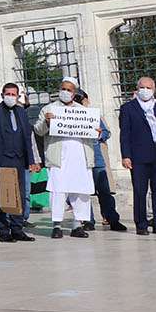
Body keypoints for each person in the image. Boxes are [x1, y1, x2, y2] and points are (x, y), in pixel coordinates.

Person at [33, 78, 95, 239]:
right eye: (63, 89)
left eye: (69, 90)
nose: (65, 92)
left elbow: (92, 130)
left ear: (74, 93)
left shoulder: (83, 110)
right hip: (58, 156)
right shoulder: (49, 108)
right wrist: (47, 122)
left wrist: (97, 131)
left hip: (81, 156)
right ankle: (57, 225)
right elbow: (38, 131)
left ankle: (77, 225)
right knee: (58, 191)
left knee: (81, 192)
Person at [0, 83, 39, 242]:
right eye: (8, 94)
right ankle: (3, 231)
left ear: (18, 96)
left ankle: (17, 228)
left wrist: (31, 160)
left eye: (14, 94)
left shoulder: (21, 111)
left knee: (19, 195)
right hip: (1, 159)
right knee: (2, 195)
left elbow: (27, 137)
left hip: (19, 160)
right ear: (3, 94)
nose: (11, 97)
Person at [119, 75, 156, 235]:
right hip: (138, 156)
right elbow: (124, 134)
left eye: (148, 88)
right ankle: (141, 224)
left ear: (153, 89)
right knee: (140, 191)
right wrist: (126, 155)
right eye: (142, 87)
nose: (145, 91)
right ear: (137, 89)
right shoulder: (128, 108)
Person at [79, 92, 127, 232]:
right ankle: (88, 220)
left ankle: (112, 219)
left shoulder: (93, 115)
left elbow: (106, 132)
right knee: (83, 192)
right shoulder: (69, 115)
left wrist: (100, 133)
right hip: (79, 159)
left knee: (104, 191)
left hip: (96, 158)